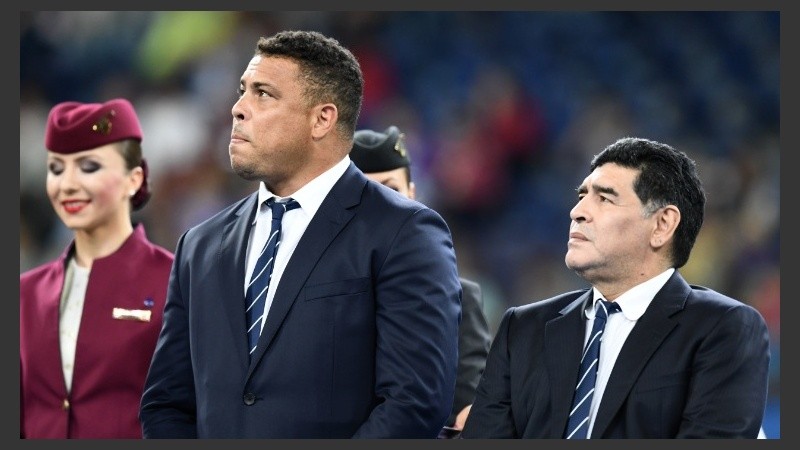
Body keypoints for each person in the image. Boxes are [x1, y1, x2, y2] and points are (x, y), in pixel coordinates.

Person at [139, 30, 461, 438]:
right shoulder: (199, 246)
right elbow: (167, 403)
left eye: (264, 94)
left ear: (322, 118)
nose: (238, 109)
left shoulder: (405, 233)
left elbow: (413, 404)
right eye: (242, 91)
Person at [461, 137, 770, 438]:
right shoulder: (523, 328)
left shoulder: (722, 329)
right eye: (582, 195)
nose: (578, 211)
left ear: (662, 225)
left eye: (605, 198)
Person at [20, 98, 174, 438]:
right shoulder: (23, 293)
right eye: (56, 169)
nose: (68, 184)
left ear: (134, 179)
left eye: (89, 167)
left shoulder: (176, 281)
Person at [349, 125, 492, 436]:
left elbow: (467, 407)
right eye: (364, 193)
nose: (380, 205)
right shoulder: (303, 292)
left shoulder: (457, 298)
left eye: (391, 190)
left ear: (413, 196)